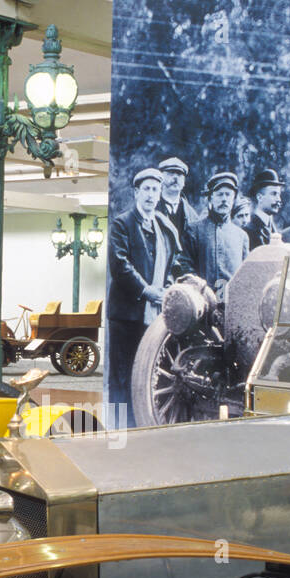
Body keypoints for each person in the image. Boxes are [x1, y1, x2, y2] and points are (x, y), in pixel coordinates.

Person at [108, 167, 181, 425]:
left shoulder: (164, 227)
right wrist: (147, 290)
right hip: (127, 316)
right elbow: (119, 264)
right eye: (146, 189)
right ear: (136, 192)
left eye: (155, 189)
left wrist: (168, 286)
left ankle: (141, 427)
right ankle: (118, 431)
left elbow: (174, 263)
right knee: (122, 376)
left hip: (154, 316)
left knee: (147, 375)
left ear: (160, 193)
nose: (151, 195)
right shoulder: (122, 224)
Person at [182, 171, 248, 295]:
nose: (224, 199)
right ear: (210, 198)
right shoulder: (194, 230)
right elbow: (185, 265)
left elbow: (245, 274)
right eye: (219, 195)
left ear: (234, 199)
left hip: (232, 303)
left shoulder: (241, 236)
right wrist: (200, 288)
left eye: (228, 195)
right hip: (202, 301)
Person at [157, 156, 200, 247]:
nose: (175, 177)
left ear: (184, 182)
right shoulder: (151, 209)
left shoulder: (193, 216)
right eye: (170, 173)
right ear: (161, 178)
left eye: (179, 174)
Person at [244, 169, 283, 248]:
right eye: (274, 194)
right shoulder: (249, 230)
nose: (279, 199)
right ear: (259, 197)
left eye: (279, 195)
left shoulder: (275, 229)